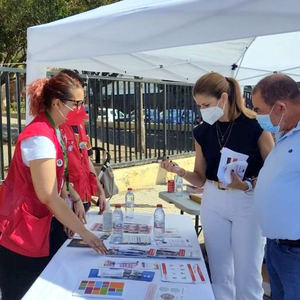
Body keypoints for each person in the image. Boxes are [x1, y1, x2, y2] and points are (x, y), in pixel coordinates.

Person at [161, 72, 274, 300]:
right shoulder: (202, 131)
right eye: (199, 105)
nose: (202, 110)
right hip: (213, 199)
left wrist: (246, 185)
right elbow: (200, 178)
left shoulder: (255, 126)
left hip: (247, 202)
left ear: (224, 98)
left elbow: (273, 172)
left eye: (206, 104)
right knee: (220, 273)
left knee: (248, 275)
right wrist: (179, 172)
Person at [0, 71, 107, 300]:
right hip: (21, 233)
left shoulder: (54, 130)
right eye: (76, 104)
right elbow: (48, 195)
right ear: (57, 103)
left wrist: (74, 199)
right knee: (25, 292)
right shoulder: (39, 137)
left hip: (37, 227)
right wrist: (85, 233)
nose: (81, 110)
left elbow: (58, 180)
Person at [252, 74, 300, 300]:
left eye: (259, 110)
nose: (256, 116)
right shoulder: (284, 133)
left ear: (280, 107)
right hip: (276, 246)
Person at [59, 69, 106, 214]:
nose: (80, 106)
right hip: (65, 203)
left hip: (83, 199)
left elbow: (87, 158)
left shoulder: (80, 123)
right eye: (76, 101)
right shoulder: (55, 126)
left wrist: (100, 190)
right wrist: (72, 199)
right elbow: (55, 173)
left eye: (81, 101)